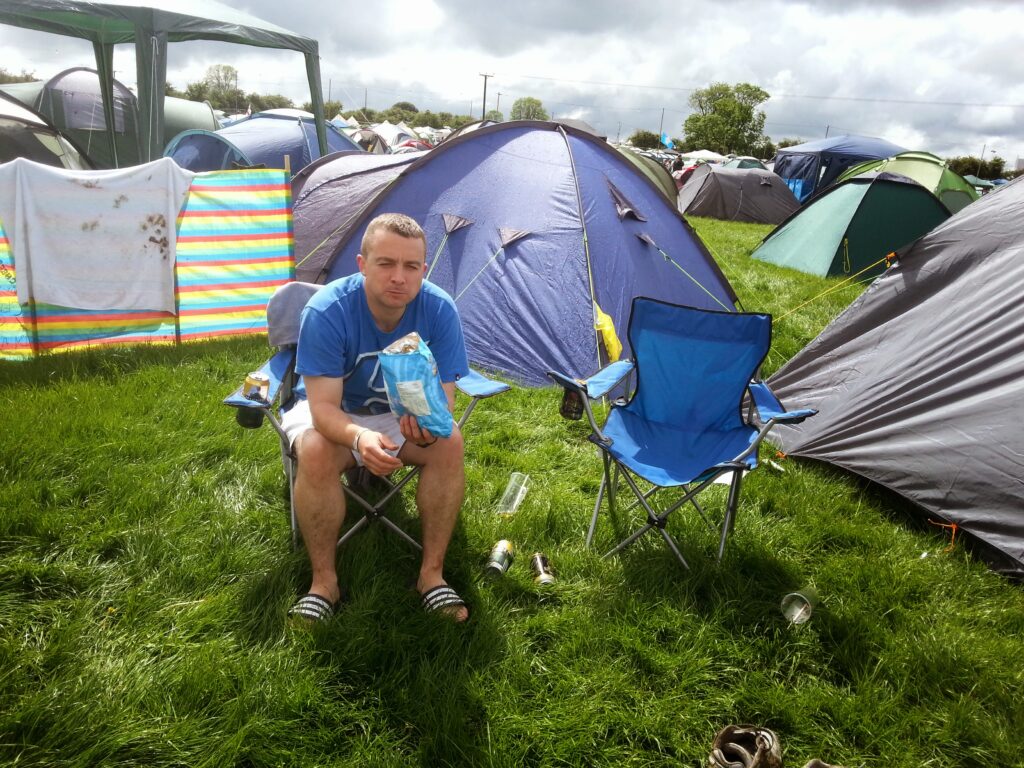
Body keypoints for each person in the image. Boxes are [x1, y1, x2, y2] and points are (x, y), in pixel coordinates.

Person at [281, 213, 471, 623]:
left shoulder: (439, 310)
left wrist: (424, 431)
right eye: (386, 264)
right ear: (363, 265)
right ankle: (323, 583)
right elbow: (323, 409)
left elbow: (443, 402)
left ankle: (431, 576)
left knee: (449, 442)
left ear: (423, 269)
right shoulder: (327, 312)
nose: (399, 277)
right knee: (314, 449)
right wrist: (360, 438)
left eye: (411, 266)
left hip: (399, 413)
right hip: (337, 411)